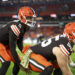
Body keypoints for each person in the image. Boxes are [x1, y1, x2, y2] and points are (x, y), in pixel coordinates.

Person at [0, 6, 36, 75]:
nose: (31, 20)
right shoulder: (15, 27)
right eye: (29, 18)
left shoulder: (25, 26)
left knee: (18, 61)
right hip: (1, 43)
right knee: (6, 62)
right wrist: (20, 64)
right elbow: (13, 48)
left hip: (7, 44)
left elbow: (19, 41)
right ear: (22, 17)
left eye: (32, 18)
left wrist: (24, 52)